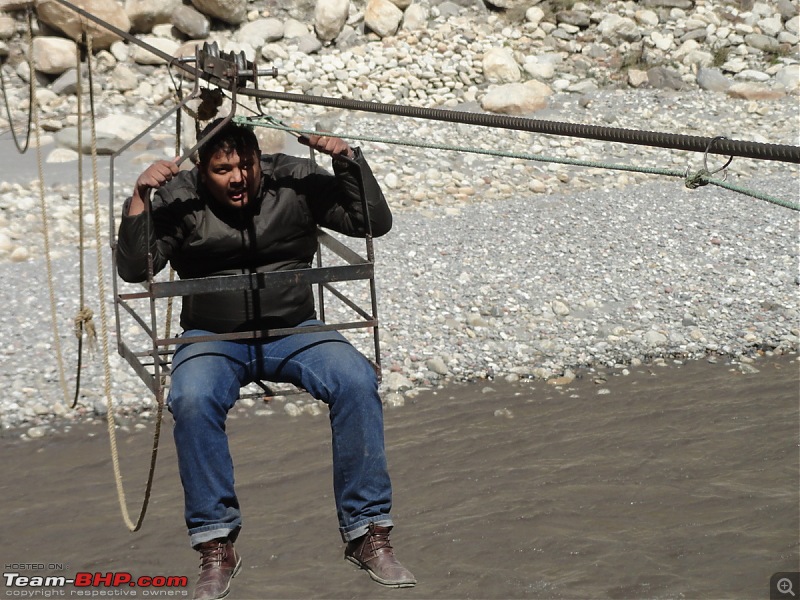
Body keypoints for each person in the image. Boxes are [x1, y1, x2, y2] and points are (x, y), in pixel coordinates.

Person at [116, 118, 416, 600]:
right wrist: (139, 199)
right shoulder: (180, 196)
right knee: (190, 397)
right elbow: (136, 269)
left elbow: (371, 223)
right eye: (223, 169)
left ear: (259, 159)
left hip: (292, 328)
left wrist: (348, 163)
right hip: (212, 335)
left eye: (246, 164)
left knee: (356, 379)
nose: (238, 178)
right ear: (203, 169)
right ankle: (216, 545)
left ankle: (368, 533)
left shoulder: (291, 179)